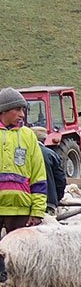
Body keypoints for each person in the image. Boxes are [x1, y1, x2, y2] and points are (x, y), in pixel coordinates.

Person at [0, 87, 47, 233]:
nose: (22, 114)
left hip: (21, 211)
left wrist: (38, 211)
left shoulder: (28, 136)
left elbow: (38, 175)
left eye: (23, 110)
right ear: (4, 110)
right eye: (18, 109)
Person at [31, 126, 67, 216]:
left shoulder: (24, 153)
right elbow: (60, 180)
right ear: (45, 139)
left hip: (27, 201)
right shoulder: (51, 154)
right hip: (48, 202)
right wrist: (56, 198)